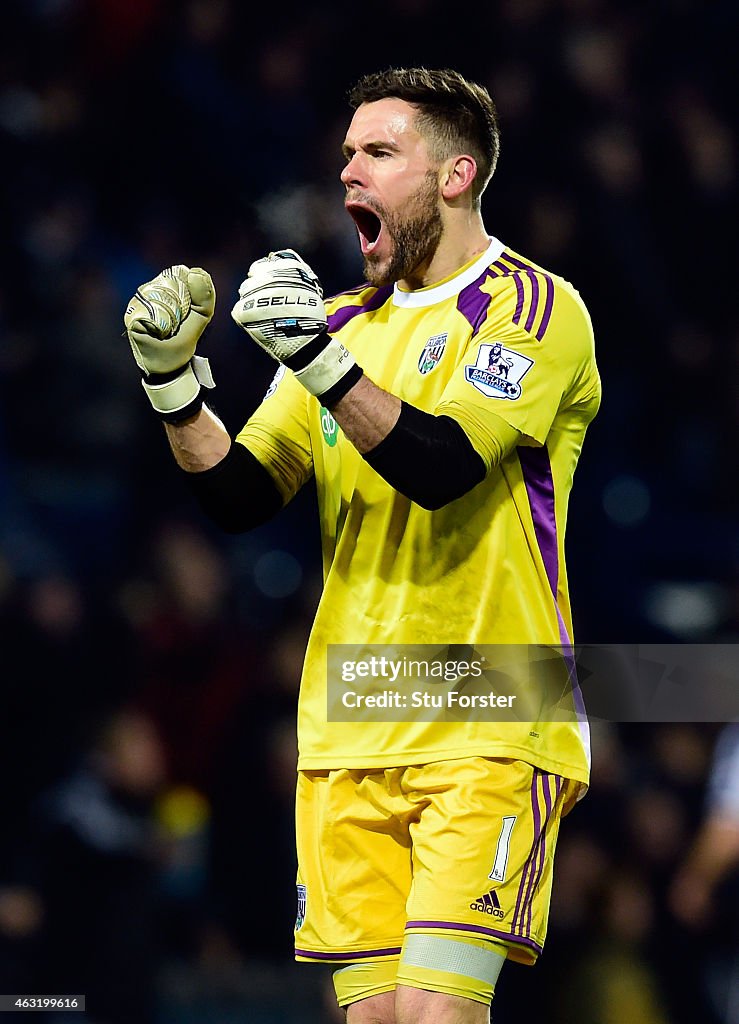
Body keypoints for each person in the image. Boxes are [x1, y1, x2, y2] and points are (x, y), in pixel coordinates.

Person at [123, 67, 601, 1024]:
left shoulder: (534, 311)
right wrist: (174, 386)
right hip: (350, 721)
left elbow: (444, 464)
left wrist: (314, 358)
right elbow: (239, 495)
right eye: (345, 153)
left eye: (378, 152)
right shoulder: (338, 324)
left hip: (490, 715)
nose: (348, 172)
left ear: (455, 175)